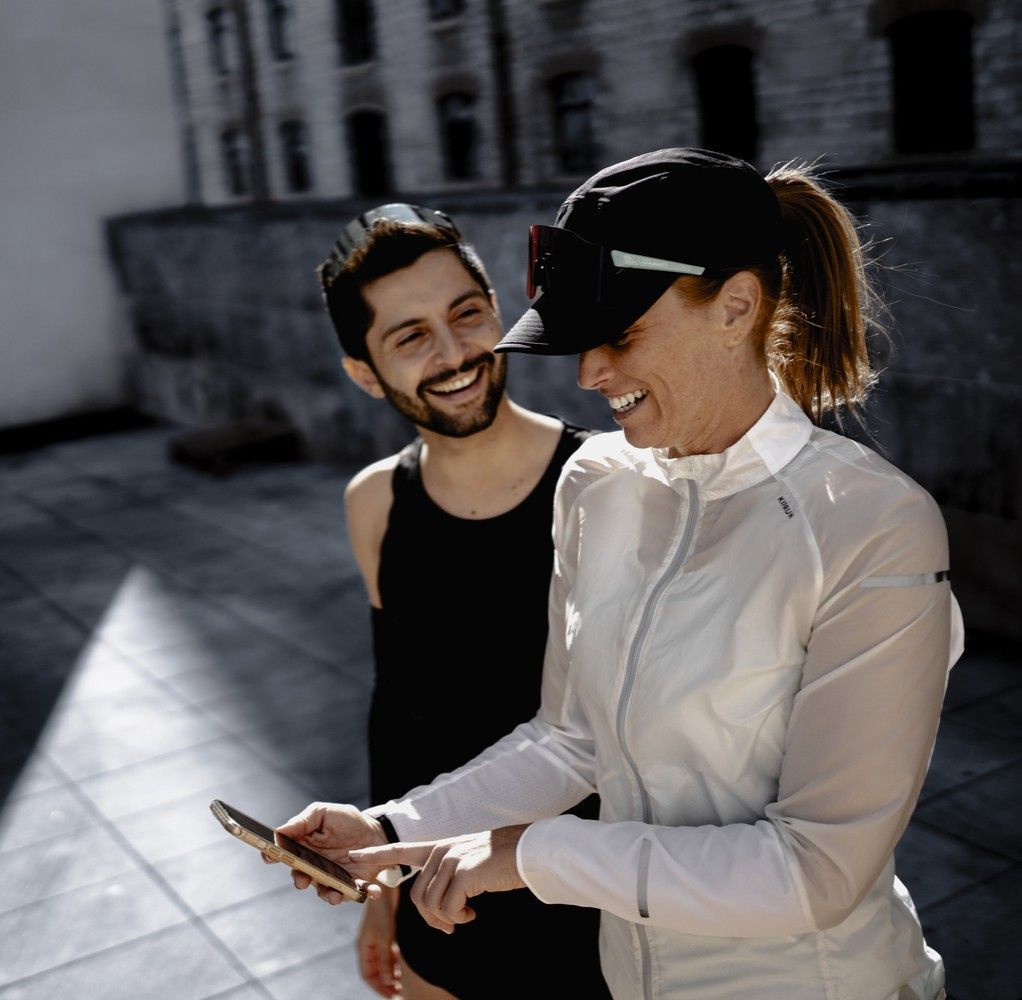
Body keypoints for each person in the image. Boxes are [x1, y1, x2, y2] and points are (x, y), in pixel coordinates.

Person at [271, 151, 965, 1000]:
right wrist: (391, 827)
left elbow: (816, 872)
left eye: (619, 334)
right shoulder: (597, 482)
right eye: (577, 342)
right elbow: (571, 739)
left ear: (736, 306)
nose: (589, 374)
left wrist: (531, 855)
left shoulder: (872, 525)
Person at [313, 203, 609, 1000]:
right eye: (410, 337)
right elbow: (398, 709)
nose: (454, 354)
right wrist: (380, 885)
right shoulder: (374, 502)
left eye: (467, 315)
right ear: (366, 373)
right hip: (443, 902)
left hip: (593, 892)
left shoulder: (608, 483)